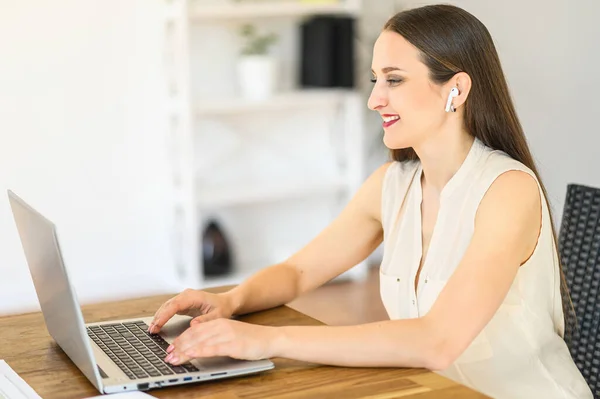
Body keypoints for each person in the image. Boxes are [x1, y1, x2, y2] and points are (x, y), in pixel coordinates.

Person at [148, 4, 592, 398]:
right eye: (376, 79)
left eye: (394, 80)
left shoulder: (508, 189)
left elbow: (437, 341)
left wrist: (267, 340)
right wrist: (230, 300)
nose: (374, 99)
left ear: (455, 89)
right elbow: (299, 272)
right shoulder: (391, 184)